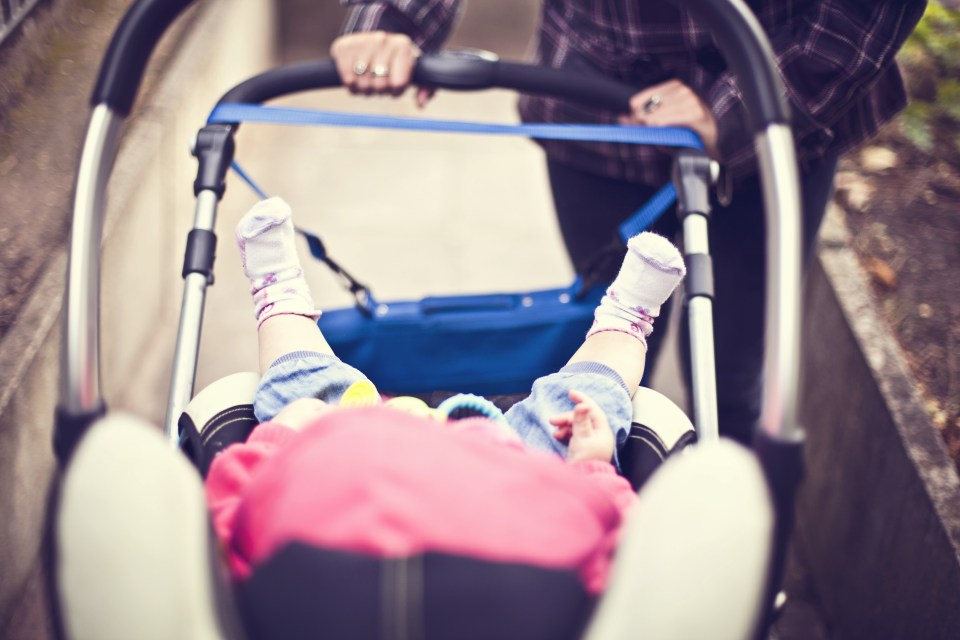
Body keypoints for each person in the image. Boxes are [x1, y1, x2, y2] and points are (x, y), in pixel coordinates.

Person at [329, 0, 927, 444]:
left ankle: (731, 541)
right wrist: (391, 20)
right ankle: (604, 509)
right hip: (600, 104)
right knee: (611, 351)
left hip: (778, 109)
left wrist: (740, 105)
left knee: (733, 377)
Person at [204, 196, 684, 611]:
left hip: (349, 458)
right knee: (580, 401)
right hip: (513, 480)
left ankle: (281, 303)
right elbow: (628, 562)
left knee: (302, 390)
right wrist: (592, 468)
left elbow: (221, 529)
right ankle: (623, 323)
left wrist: (277, 441)